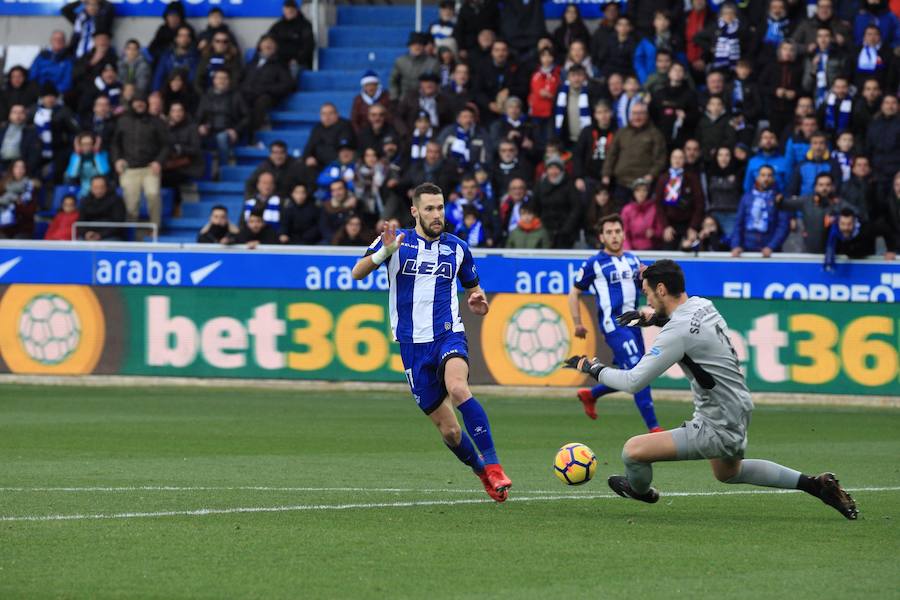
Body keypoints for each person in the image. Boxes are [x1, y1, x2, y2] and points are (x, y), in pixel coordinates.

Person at [563, 259, 859, 520]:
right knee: (728, 472)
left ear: (662, 289)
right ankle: (815, 485)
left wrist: (593, 368)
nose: (648, 300)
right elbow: (684, 327)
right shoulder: (703, 305)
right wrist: (652, 318)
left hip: (718, 419)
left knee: (632, 452)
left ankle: (641, 491)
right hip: (737, 405)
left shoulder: (676, 332)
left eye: (648, 293)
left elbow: (633, 382)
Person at [351, 183, 512, 502]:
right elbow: (357, 272)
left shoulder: (458, 248)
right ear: (414, 211)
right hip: (412, 345)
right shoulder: (396, 242)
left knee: (458, 388)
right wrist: (384, 252)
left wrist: (478, 301)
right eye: (429, 209)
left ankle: (494, 466)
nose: (437, 215)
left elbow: (473, 289)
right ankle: (482, 472)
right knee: (450, 432)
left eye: (440, 208)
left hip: (448, 334)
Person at [568, 214, 661, 432]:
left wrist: (648, 276)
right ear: (601, 237)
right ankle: (655, 428)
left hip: (636, 325)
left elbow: (645, 286)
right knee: (640, 371)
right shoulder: (594, 263)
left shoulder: (632, 260)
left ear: (623, 233)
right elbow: (574, 292)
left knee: (632, 374)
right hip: (615, 325)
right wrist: (577, 323)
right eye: (609, 232)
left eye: (618, 231)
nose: (614, 236)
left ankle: (591, 395)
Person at [112, 93, 171, 230]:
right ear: (132, 103)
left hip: (150, 168)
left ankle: (155, 228)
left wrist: (158, 161)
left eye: (142, 102)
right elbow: (115, 144)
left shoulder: (156, 122)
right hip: (129, 169)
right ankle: (131, 232)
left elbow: (166, 145)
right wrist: (117, 160)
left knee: (153, 195)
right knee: (131, 204)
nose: (140, 104)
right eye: (137, 102)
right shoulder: (122, 121)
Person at [730, 166, 792, 257]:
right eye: (763, 175)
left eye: (769, 175)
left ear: (774, 178)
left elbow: (783, 226)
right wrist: (736, 245)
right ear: (758, 177)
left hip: (770, 250)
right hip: (747, 248)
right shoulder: (746, 197)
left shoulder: (779, 199)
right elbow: (739, 223)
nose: (766, 178)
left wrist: (771, 246)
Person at [240, 35, 295, 135]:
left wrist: (265, 89)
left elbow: (287, 84)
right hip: (247, 94)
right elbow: (240, 80)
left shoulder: (280, 65)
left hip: (266, 95)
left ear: (276, 48)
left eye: (271, 44)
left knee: (262, 101)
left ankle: (252, 133)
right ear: (260, 46)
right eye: (265, 43)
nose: (267, 45)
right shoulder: (251, 64)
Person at [197, 69, 248, 170]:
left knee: (221, 137)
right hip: (210, 132)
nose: (222, 81)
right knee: (194, 135)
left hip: (228, 133)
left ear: (229, 81)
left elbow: (246, 117)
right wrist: (200, 127)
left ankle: (223, 169)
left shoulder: (236, 96)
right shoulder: (206, 97)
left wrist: (235, 130)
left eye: (225, 78)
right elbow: (198, 117)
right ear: (214, 80)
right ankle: (201, 172)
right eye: (219, 78)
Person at [303, 103, 355, 170]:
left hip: (337, 165)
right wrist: (308, 157)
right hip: (317, 165)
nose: (327, 117)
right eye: (323, 114)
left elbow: (344, 149)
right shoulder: (317, 128)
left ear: (337, 114)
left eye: (330, 113)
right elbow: (308, 148)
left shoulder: (345, 126)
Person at [390, 32, 439, 101]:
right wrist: (394, 98)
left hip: (426, 101)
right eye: (414, 44)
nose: (417, 47)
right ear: (409, 46)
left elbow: (438, 84)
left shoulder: (433, 63)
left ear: (424, 46)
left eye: (420, 44)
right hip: (404, 100)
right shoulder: (400, 61)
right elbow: (393, 81)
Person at [268, 0, 315, 72]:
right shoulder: (278, 26)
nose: (288, 12)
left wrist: (297, 59)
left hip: (297, 62)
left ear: (296, 10)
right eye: (286, 10)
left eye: (291, 10)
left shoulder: (305, 25)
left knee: (290, 71)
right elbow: (268, 40)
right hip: (279, 60)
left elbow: (308, 46)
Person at [152, 25, 199, 92]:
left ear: (190, 39)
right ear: (176, 38)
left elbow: (192, 79)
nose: (184, 38)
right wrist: (155, 91)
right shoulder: (167, 56)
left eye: (187, 36)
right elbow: (159, 76)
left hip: (186, 93)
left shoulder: (195, 57)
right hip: (167, 92)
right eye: (181, 35)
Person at [78, 175, 125, 240]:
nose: (99, 190)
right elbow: (80, 222)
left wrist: (100, 235)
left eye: (102, 187)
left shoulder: (116, 201)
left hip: (110, 236)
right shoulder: (85, 201)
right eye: (96, 187)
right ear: (91, 188)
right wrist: (86, 233)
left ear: (107, 187)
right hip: (89, 236)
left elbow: (118, 224)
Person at [621, 177, 662, 251]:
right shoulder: (626, 210)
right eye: (638, 190)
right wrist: (628, 251)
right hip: (632, 250)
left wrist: (654, 233)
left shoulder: (654, 208)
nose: (641, 193)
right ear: (633, 193)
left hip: (651, 249)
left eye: (644, 190)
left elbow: (660, 230)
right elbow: (623, 233)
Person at [65, 132, 110, 198]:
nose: (86, 146)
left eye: (89, 144)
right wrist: (77, 155)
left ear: (94, 144)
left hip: (100, 191)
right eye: (83, 144)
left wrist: (97, 153)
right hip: (84, 192)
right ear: (79, 145)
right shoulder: (75, 156)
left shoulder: (102, 154)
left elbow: (103, 172)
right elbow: (72, 174)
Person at [0, 104, 42, 176]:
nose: (18, 116)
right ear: (9, 115)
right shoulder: (2, 131)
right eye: (15, 112)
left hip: (22, 168)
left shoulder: (32, 133)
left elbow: (34, 157)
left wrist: (22, 170)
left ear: (25, 115)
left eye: (21, 113)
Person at [30, 31, 74, 96]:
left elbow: (67, 80)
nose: (58, 41)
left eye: (60, 39)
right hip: (40, 91)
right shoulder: (41, 56)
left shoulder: (68, 59)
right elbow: (32, 74)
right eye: (55, 39)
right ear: (51, 41)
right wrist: (39, 90)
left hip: (58, 93)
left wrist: (53, 92)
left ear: (64, 42)